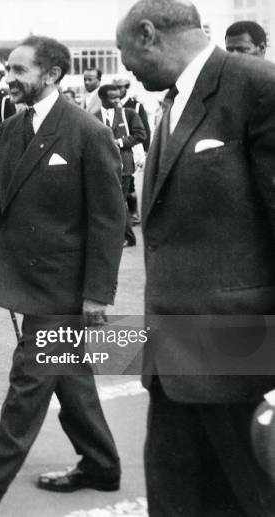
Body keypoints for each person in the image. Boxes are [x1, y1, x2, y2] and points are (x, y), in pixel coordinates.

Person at [0, 36, 125, 517]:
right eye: (8, 69)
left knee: (27, 383)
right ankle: (102, 465)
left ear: (52, 75)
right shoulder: (9, 128)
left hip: (63, 289)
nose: (9, 79)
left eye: (20, 70)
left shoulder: (87, 132)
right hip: (24, 280)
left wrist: (97, 295)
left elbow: (109, 221)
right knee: (70, 377)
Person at [117, 1, 275, 515]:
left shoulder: (255, 85)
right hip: (173, 359)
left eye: (125, 56)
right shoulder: (172, 101)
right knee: (175, 499)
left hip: (239, 358)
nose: (127, 70)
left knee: (248, 500)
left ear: (147, 34)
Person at [96, 84, 146, 247]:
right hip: (103, 165)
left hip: (124, 165)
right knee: (112, 201)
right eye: (113, 98)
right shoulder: (93, 116)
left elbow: (140, 134)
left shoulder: (128, 114)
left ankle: (128, 237)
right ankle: (121, 236)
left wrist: (120, 142)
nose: (118, 101)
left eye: (119, 97)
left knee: (118, 200)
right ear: (102, 98)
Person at [113, 76, 150, 225]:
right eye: (116, 87)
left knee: (131, 181)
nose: (119, 90)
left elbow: (144, 129)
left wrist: (146, 150)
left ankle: (134, 213)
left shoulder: (135, 105)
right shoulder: (113, 103)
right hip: (118, 147)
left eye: (122, 87)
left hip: (133, 146)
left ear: (126, 88)